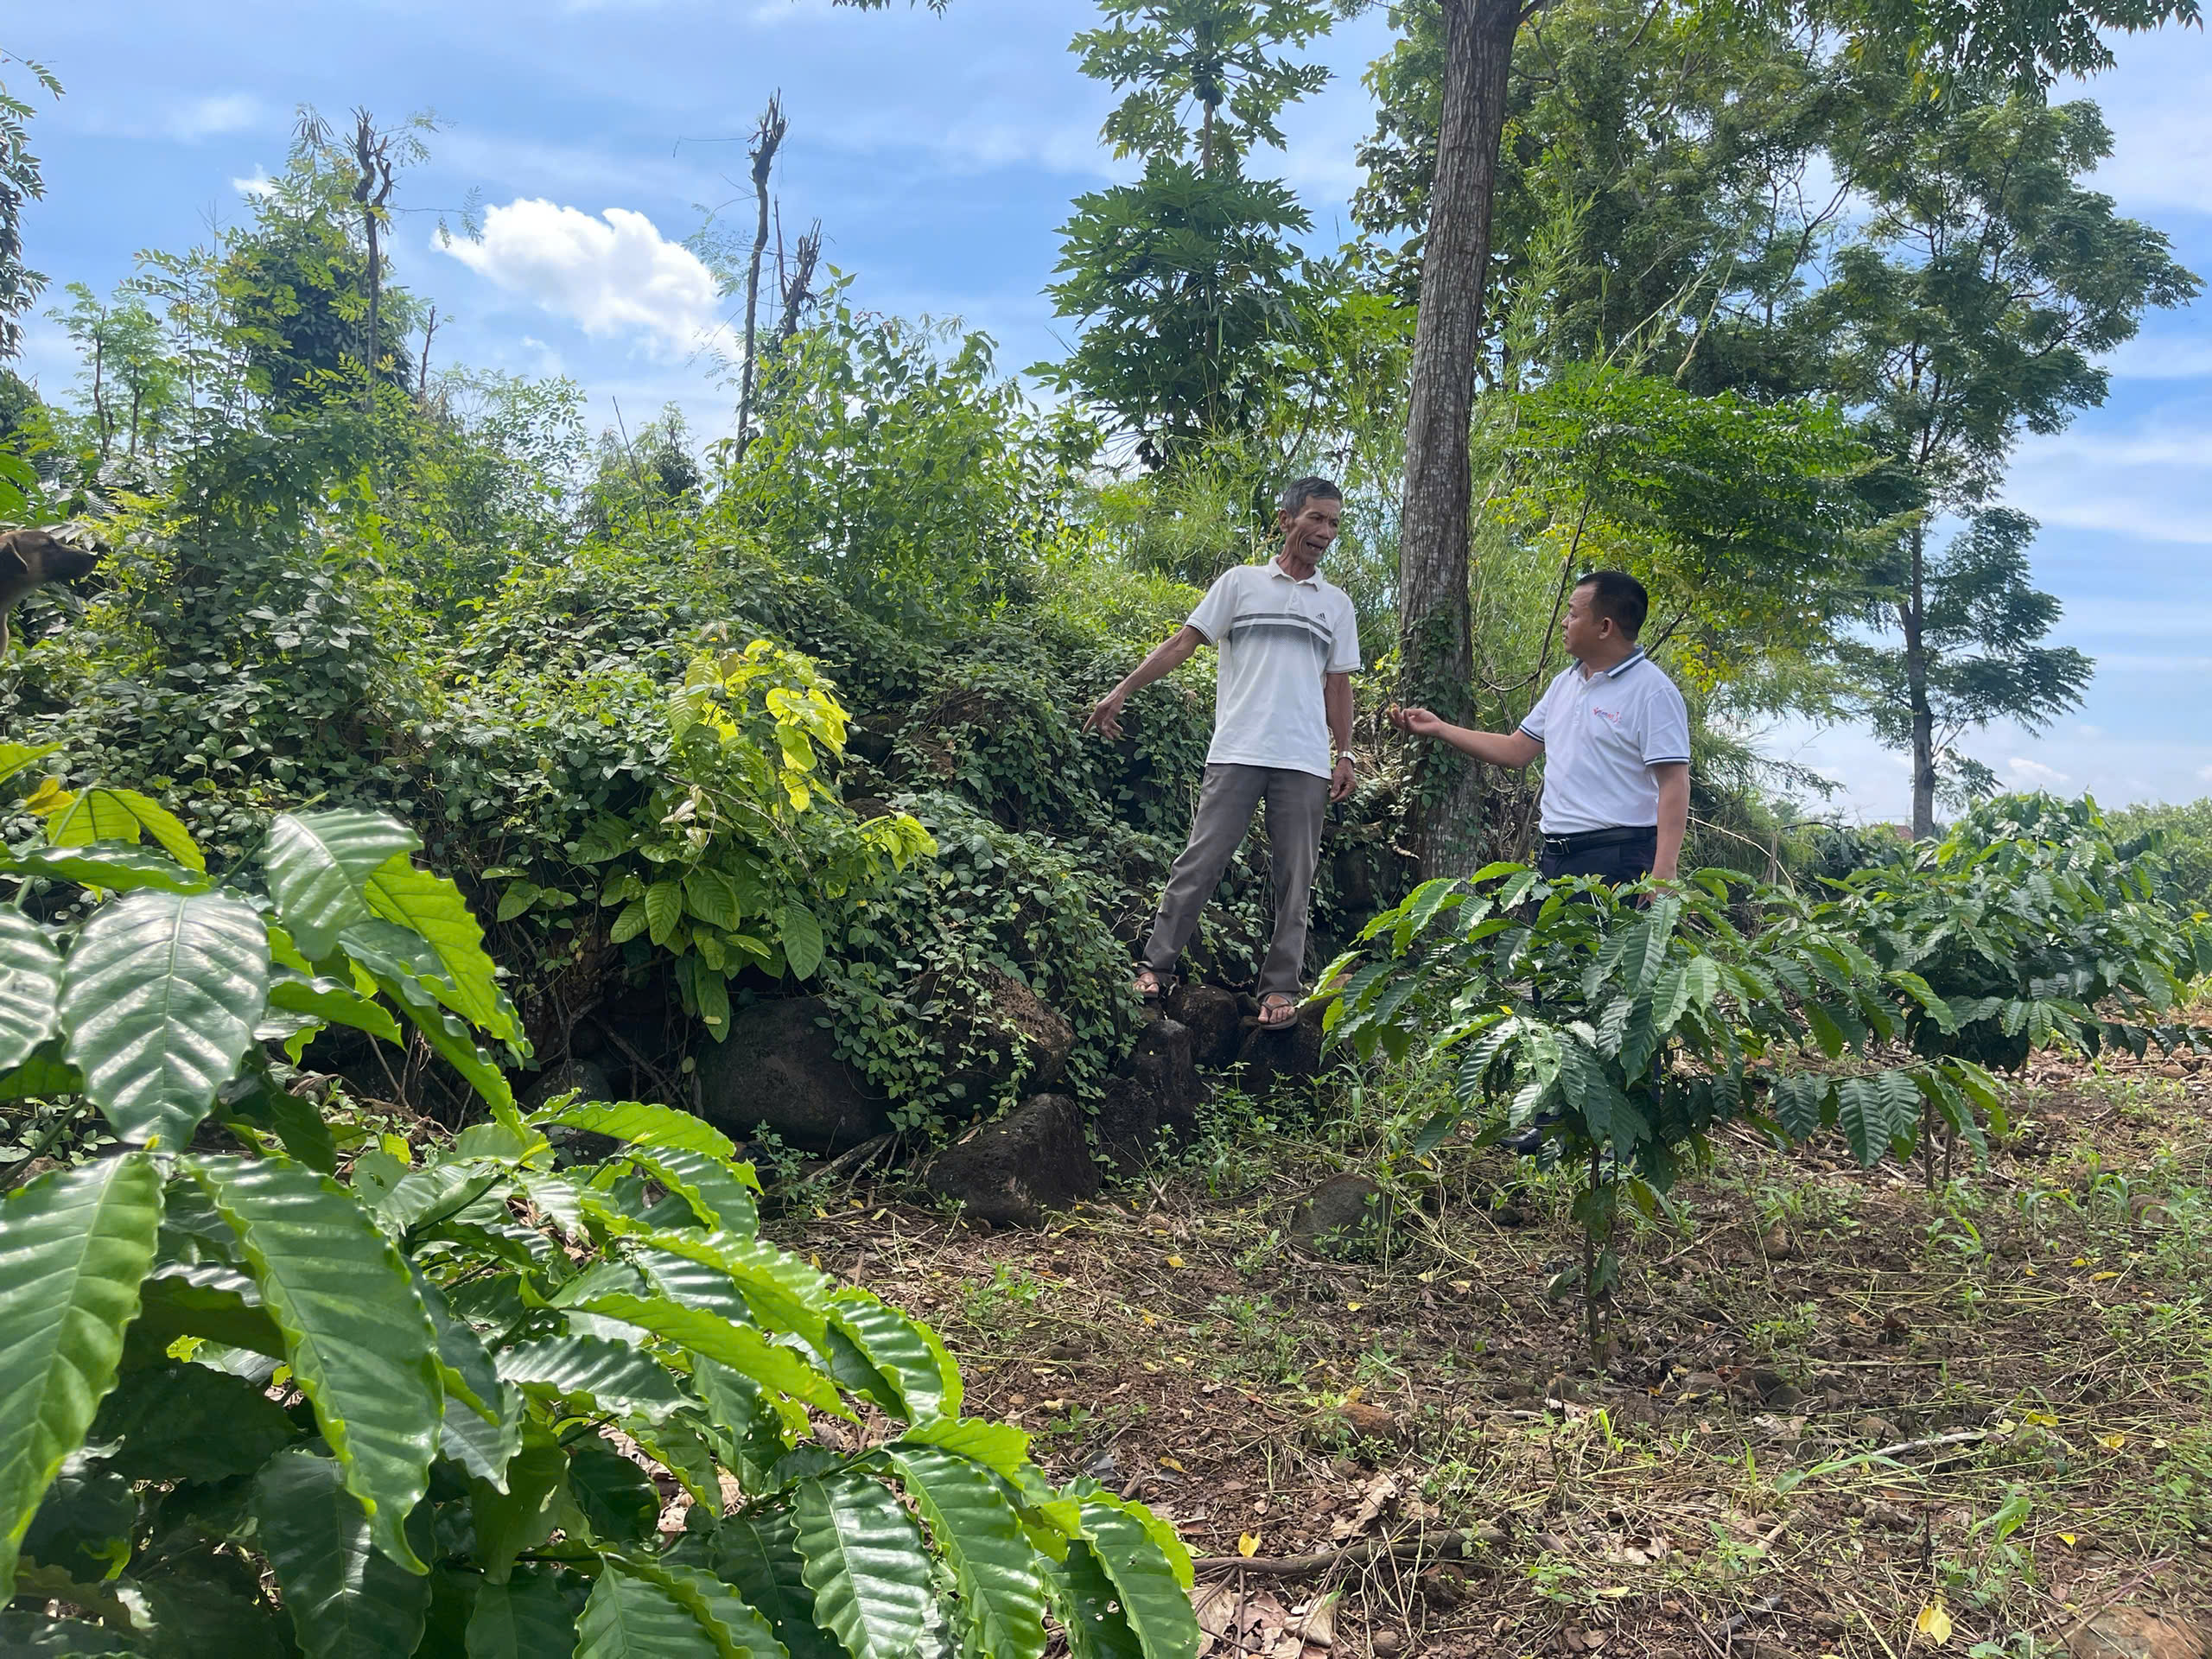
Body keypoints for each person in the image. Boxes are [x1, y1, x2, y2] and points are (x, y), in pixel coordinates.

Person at [1084, 477, 1361, 1029]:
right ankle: (1155, 968)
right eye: (1316, 519)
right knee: (1202, 859)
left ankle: (1280, 988)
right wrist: (1121, 689)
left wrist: (1346, 753)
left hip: (1304, 759)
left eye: (1333, 523)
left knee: (1295, 876)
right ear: (1286, 520)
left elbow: (1337, 687)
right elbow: (1183, 644)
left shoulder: (1336, 605)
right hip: (1238, 748)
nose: (1325, 533)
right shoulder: (1240, 584)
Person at [1389, 569, 1690, 883]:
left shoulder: (1653, 692)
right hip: (1554, 857)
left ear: (1604, 627)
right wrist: (1440, 728)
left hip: (1620, 858)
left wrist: (1664, 872)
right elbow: (1516, 749)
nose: (1564, 622)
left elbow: (1674, 783)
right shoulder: (1565, 684)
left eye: (1573, 614)